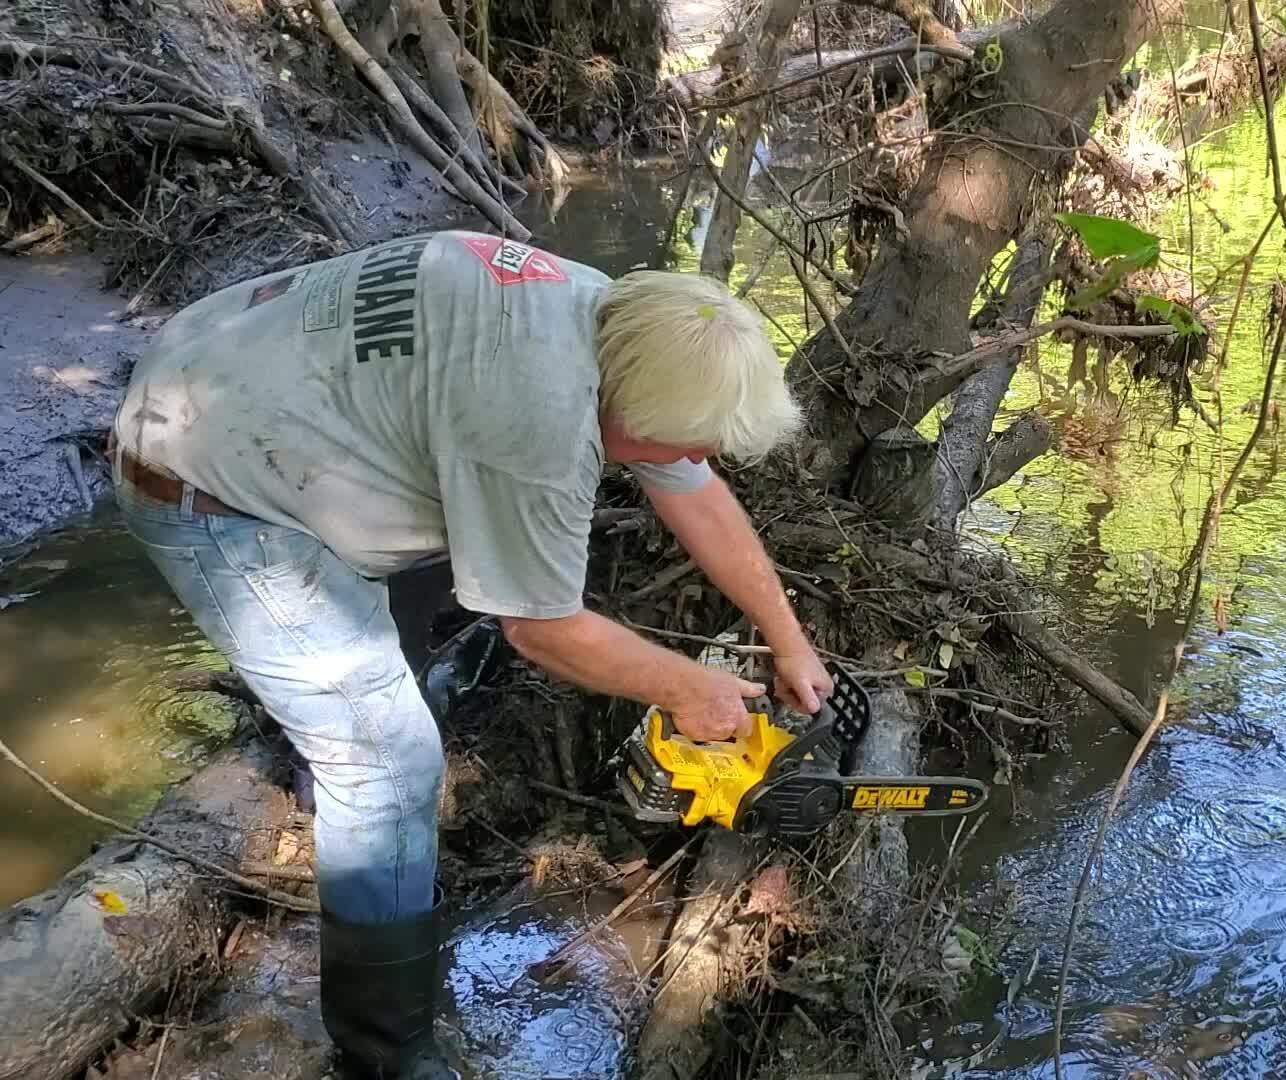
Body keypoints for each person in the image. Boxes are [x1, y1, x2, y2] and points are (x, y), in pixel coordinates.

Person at [108, 230, 832, 1078]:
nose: (695, 459)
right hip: (207, 483)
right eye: (684, 441)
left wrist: (790, 640)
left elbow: (696, 491)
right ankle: (387, 1047)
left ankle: (351, 759)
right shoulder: (536, 423)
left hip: (235, 370)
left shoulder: (620, 316)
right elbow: (542, 626)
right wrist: (689, 689)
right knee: (389, 763)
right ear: (627, 413)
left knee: (420, 607)